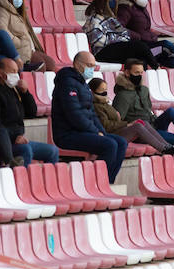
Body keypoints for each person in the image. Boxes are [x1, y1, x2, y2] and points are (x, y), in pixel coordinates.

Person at [51, 52, 128, 181]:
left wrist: (100, 131)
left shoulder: (83, 84)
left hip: (83, 131)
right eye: (89, 65)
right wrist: (94, 132)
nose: (91, 69)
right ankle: (96, 182)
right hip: (67, 134)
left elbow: (92, 113)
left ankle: (108, 181)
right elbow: (74, 114)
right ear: (77, 64)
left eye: (93, 66)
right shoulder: (66, 83)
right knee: (109, 145)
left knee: (121, 143)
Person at [113, 58, 174, 151]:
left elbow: (148, 109)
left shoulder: (144, 90)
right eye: (136, 73)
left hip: (153, 124)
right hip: (143, 132)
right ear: (127, 73)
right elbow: (118, 121)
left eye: (141, 73)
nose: (140, 75)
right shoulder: (122, 95)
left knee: (171, 111)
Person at [0, 58, 59, 166]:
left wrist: (25, 93)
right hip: (2, 142)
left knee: (52, 151)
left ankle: (47, 182)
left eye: (17, 72)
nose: (17, 75)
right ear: (1, 74)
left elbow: (31, 113)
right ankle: (20, 180)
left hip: (18, 138)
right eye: (13, 72)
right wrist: (14, 137)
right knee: (25, 150)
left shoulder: (14, 90)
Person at [88, 77, 174, 154]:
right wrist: (126, 124)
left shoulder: (104, 103)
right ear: (93, 91)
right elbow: (106, 125)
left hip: (117, 131)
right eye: (102, 90)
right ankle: (164, 149)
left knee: (142, 122)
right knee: (137, 126)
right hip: (111, 135)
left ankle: (168, 146)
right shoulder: (96, 106)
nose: (105, 93)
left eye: (105, 90)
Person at [0, 0, 55, 72]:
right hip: (14, 52)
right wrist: (19, 42)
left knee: (51, 64)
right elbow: (1, 32)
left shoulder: (17, 12)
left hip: (26, 50)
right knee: (42, 67)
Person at [116, 0, 174, 68]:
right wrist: (136, 36)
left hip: (150, 45)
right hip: (141, 49)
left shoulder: (141, 8)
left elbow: (145, 29)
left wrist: (152, 36)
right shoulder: (125, 9)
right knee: (165, 45)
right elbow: (119, 27)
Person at [84, 0, 154, 65]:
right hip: (102, 52)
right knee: (140, 46)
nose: (113, 1)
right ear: (102, 0)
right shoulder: (94, 19)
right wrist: (117, 38)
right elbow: (98, 41)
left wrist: (116, 37)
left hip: (114, 48)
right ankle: (156, 68)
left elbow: (124, 33)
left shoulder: (111, 18)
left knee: (139, 59)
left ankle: (146, 74)